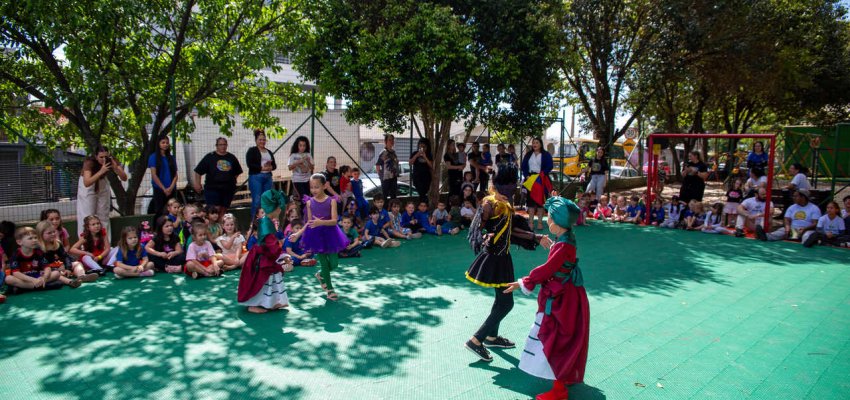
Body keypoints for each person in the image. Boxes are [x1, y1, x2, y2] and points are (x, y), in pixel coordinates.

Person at [464, 167, 552, 363]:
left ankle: (491, 337)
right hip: (493, 258)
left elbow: (510, 231)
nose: (511, 190)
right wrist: (484, 235)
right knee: (506, 303)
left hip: (503, 258)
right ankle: (476, 340)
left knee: (501, 300)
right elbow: (477, 227)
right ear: (497, 185)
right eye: (508, 186)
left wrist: (535, 237)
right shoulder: (490, 203)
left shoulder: (504, 203)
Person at [504, 194, 588, 400]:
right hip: (569, 294)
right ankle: (565, 375)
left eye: (550, 217)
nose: (547, 220)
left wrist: (523, 282)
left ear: (558, 222)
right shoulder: (567, 238)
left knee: (555, 337)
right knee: (565, 335)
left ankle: (559, 389)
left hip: (562, 298)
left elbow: (548, 269)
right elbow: (560, 261)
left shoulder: (563, 245)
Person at [237, 189, 293, 313]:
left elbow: (272, 245)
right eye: (279, 208)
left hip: (265, 256)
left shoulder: (267, 222)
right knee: (260, 281)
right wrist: (281, 256)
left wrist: (280, 255)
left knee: (271, 279)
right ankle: (253, 304)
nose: (280, 210)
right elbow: (271, 245)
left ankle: (271, 302)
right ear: (273, 208)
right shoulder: (266, 224)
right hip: (263, 258)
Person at [300, 174, 351, 301]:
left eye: (316, 187)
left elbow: (334, 221)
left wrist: (321, 222)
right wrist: (298, 233)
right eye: (311, 187)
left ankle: (321, 275)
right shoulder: (309, 203)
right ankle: (330, 289)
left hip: (331, 234)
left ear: (324, 186)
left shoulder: (331, 201)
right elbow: (309, 222)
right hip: (316, 236)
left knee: (334, 264)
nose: (313, 190)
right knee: (323, 263)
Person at [77, 146, 128, 238]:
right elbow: (87, 182)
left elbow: (124, 178)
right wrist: (101, 171)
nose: (104, 159)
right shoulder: (90, 162)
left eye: (106, 156)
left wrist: (115, 167)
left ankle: (105, 243)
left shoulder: (111, 160)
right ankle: (85, 243)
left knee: (103, 214)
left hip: (102, 182)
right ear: (96, 156)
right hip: (89, 184)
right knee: (87, 215)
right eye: (101, 157)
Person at [4, 227, 65, 291]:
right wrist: (33, 280)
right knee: (8, 279)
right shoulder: (16, 255)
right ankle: (44, 286)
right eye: (30, 238)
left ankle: (24, 288)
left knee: (56, 273)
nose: (34, 240)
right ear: (19, 242)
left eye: (35, 238)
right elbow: (16, 273)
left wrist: (44, 277)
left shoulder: (38, 252)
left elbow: (47, 267)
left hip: (38, 276)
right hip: (25, 278)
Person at [193, 137, 243, 213]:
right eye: (220, 144)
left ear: (227, 145)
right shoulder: (209, 157)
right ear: (216, 146)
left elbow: (237, 172)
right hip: (212, 189)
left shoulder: (232, 157)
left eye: (224, 144)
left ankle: (220, 224)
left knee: (223, 209)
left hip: (228, 189)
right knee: (214, 210)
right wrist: (197, 183)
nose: (223, 146)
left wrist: (231, 180)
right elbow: (198, 171)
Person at [35, 221, 91, 287]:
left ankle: (82, 276)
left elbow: (65, 256)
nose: (53, 234)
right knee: (56, 274)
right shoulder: (38, 248)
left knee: (77, 264)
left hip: (61, 266)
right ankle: (71, 282)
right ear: (40, 235)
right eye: (49, 233)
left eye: (54, 231)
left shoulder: (57, 244)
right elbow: (42, 264)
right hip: (49, 270)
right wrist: (57, 269)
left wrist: (68, 268)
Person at [521, 137, 554, 230]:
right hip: (530, 178)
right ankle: (530, 223)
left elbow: (550, 166)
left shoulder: (546, 154)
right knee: (530, 202)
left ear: (541, 144)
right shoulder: (528, 154)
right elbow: (523, 166)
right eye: (533, 143)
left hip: (541, 179)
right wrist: (527, 175)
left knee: (541, 202)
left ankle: (540, 223)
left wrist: (542, 174)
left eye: (537, 143)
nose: (534, 144)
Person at [246, 129, 277, 220]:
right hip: (256, 177)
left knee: (267, 200)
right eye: (260, 139)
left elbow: (274, 165)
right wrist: (262, 168)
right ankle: (254, 223)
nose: (262, 141)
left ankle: (266, 221)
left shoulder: (268, 151)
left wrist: (270, 167)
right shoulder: (252, 151)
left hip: (268, 177)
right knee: (257, 201)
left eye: (264, 139)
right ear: (256, 140)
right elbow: (250, 164)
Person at [147, 136, 178, 216]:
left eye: (167, 143)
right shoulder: (153, 157)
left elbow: (175, 175)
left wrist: (171, 188)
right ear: (158, 144)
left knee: (172, 211)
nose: (165, 145)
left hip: (171, 189)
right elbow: (154, 175)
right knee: (160, 211)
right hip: (159, 189)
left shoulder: (171, 158)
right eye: (163, 142)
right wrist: (164, 189)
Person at [409, 138, 434, 204]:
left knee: (423, 193)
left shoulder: (429, 155)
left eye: (424, 147)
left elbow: (431, 166)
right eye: (420, 146)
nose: (422, 148)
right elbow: (410, 163)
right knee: (421, 193)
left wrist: (425, 157)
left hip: (426, 178)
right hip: (417, 177)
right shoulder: (414, 153)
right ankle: (423, 205)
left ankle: (422, 205)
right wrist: (417, 155)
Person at [376, 134, 400, 200]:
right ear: (385, 141)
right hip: (385, 178)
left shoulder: (393, 152)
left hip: (394, 177)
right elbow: (378, 165)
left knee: (394, 196)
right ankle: (385, 209)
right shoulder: (384, 152)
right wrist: (381, 177)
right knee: (385, 197)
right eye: (390, 140)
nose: (392, 141)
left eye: (393, 140)